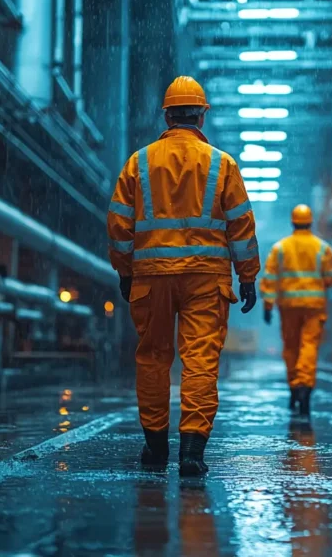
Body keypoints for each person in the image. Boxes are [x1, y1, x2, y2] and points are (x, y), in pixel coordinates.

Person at [107, 76, 260, 476]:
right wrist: (247, 276)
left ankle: (156, 447)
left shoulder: (138, 162)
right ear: (201, 116)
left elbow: (119, 224)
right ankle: (192, 451)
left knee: (154, 358)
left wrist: (125, 272)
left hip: (152, 275)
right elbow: (241, 226)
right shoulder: (222, 164)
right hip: (206, 280)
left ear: (168, 114)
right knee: (200, 362)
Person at [259, 205, 332, 416]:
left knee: (291, 347)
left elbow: (270, 278)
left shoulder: (280, 248)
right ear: (311, 222)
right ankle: (305, 386)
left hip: (288, 307)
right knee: (309, 346)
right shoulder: (323, 248)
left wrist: (267, 305)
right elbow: (330, 278)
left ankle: (294, 386)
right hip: (314, 306)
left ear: (292, 222)